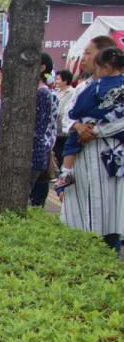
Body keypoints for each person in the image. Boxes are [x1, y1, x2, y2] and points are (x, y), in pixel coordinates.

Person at [59, 37, 124, 249]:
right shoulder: (83, 87)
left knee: (110, 212)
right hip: (81, 156)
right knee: (79, 213)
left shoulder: (118, 85)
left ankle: (109, 253)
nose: (83, 57)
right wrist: (78, 127)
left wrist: (96, 130)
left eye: (88, 52)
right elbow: (68, 117)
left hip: (110, 154)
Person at [53, 46, 124, 191]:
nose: (83, 57)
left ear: (105, 66)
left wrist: (90, 127)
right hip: (113, 144)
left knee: (72, 145)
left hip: (92, 139)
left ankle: (66, 173)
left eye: (88, 52)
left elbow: (76, 110)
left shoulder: (97, 85)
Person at [28, 53, 61, 208]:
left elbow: (40, 126)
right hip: (41, 148)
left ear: (42, 68)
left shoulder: (42, 92)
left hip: (36, 150)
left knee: (32, 196)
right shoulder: (44, 91)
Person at [53, 68, 77, 168]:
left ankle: (62, 170)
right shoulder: (57, 92)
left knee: (62, 148)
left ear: (65, 80)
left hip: (64, 125)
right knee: (56, 147)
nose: (56, 81)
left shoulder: (72, 92)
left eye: (58, 79)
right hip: (56, 125)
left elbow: (67, 109)